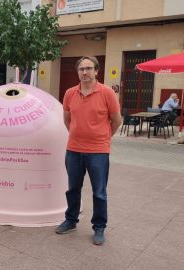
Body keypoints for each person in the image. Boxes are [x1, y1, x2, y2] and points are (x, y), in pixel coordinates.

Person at [55, 56, 122, 245]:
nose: (84, 72)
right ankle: (71, 220)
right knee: (73, 189)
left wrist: (103, 139)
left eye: (88, 68)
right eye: (81, 69)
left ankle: (99, 227)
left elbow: (117, 120)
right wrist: (76, 135)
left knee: (99, 192)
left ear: (96, 71)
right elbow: (67, 119)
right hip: (74, 149)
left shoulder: (107, 93)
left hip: (99, 152)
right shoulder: (69, 93)